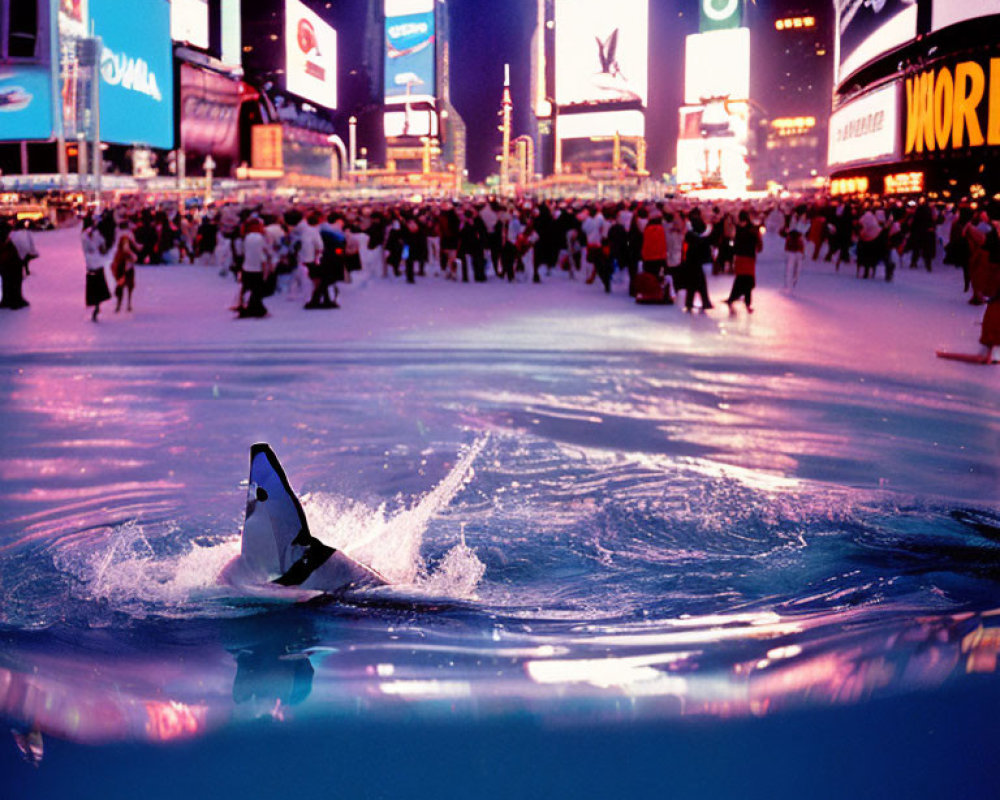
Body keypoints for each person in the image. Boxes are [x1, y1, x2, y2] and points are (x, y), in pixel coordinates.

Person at [725, 210, 763, 314]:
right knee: (747, 280)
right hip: (748, 258)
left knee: (741, 279)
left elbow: (733, 241)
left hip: (742, 258)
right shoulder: (753, 230)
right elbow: (759, 245)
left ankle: (734, 298)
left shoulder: (740, 229)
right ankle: (745, 302)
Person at [237, 218, 272, 318]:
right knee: (257, 289)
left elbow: (242, 252)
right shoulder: (260, 238)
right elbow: (262, 253)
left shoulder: (245, 237)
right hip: (257, 267)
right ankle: (256, 309)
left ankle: (246, 307)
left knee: (247, 288)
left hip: (247, 266)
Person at [682, 208, 714, 312]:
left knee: (691, 282)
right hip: (701, 258)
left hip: (691, 258)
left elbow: (687, 239)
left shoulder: (690, 228)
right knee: (700, 282)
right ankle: (705, 302)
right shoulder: (704, 227)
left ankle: (689, 303)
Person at [82, 216, 112, 322]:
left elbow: (101, 243)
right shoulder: (86, 235)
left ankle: (96, 306)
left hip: (95, 265)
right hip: (94, 265)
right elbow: (89, 249)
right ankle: (96, 306)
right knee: (96, 287)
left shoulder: (92, 234)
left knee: (96, 287)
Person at [3, 219, 37, 309]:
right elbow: (25, 247)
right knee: (16, 280)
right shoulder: (20, 234)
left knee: (7, 280)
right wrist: (25, 256)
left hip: (5, 261)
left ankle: (6, 300)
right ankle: (16, 301)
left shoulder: (10, 234)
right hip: (13, 260)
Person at [110, 220, 138, 312]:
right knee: (129, 282)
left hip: (119, 260)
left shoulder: (117, 234)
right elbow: (129, 248)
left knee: (120, 281)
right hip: (127, 261)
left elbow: (114, 246)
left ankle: (119, 304)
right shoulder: (128, 235)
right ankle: (128, 304)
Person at [781, 205, 810, 290]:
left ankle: (792, 282)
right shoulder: (793, 219)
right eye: (804, 213)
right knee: (790, 267)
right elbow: (792, 231)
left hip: (799, 247)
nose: (805, 215)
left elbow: (804, 231)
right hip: (792, 246)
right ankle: (788, 284)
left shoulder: (805, 221)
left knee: (797, 268)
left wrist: (805, 224)